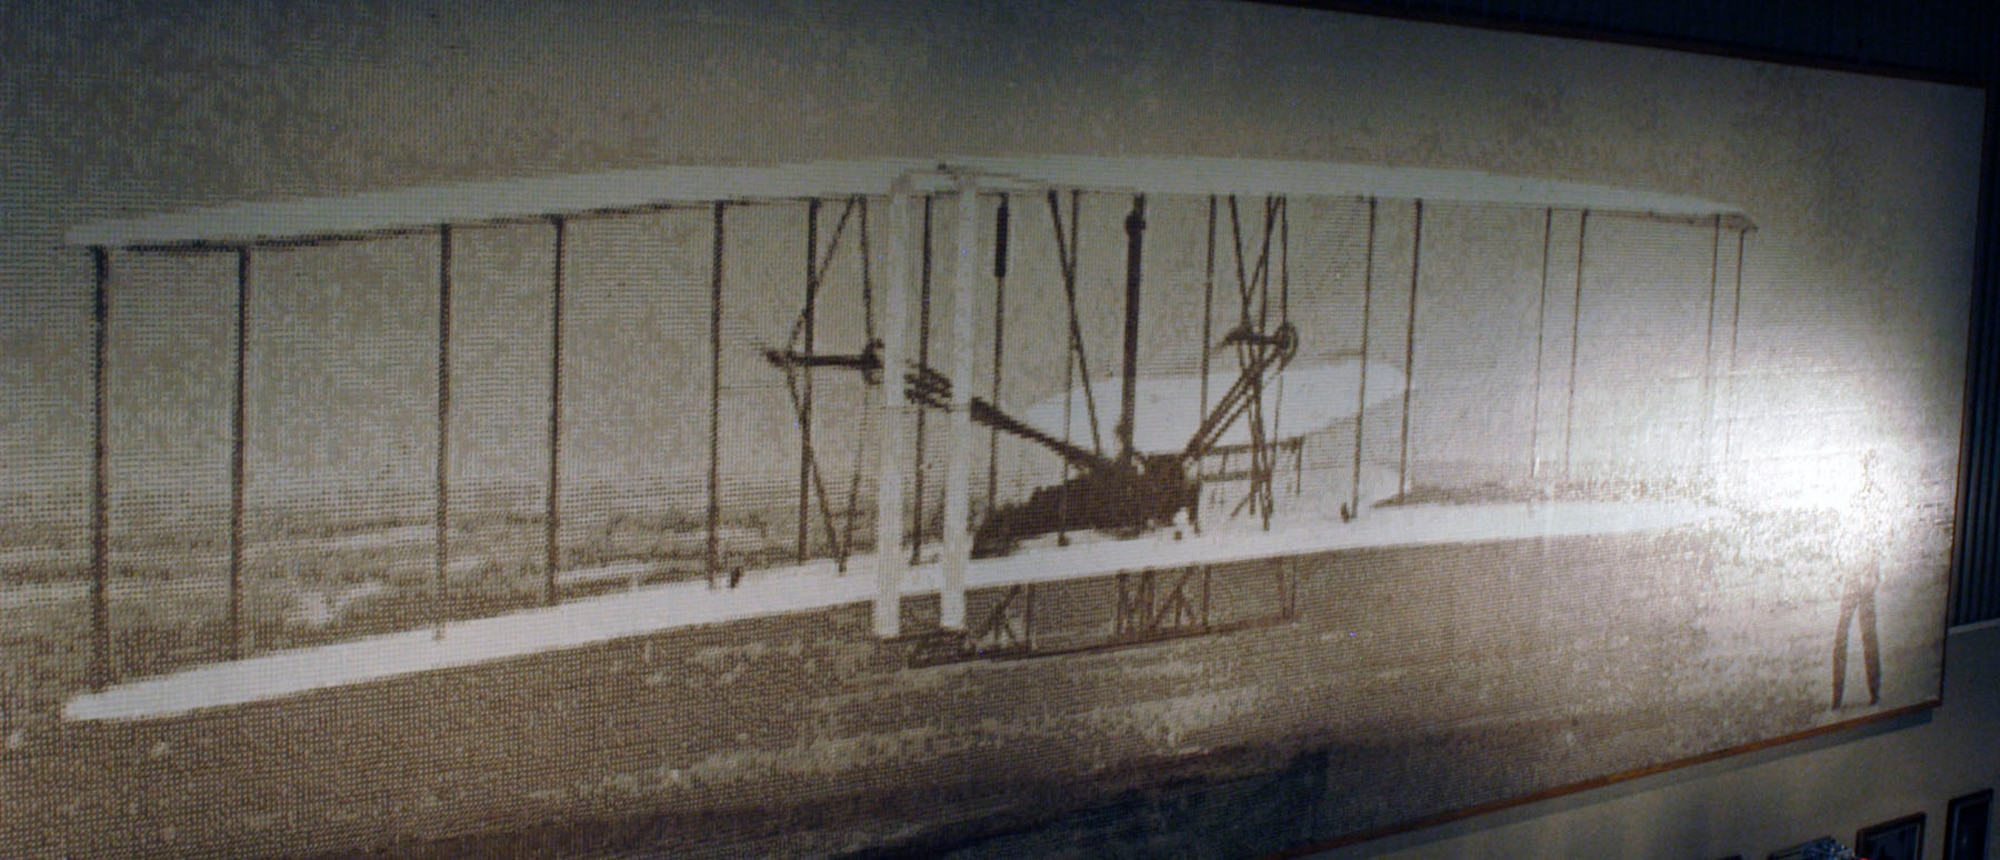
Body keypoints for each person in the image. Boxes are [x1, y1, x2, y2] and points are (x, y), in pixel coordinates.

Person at [1831, 453, 1885, 708]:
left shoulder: (1879, 500)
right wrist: (1840, 563)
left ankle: (1874, 691)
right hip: (1853, 572)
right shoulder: (1854, 500)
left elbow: (1883, 537)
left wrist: (1873, 572)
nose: (1868, 473)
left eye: (1872, 468)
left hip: (1866, 573)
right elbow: (1843, 534)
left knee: (1867, 633)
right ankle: (1837, 696)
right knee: (1843, 632)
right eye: (1867, 468)